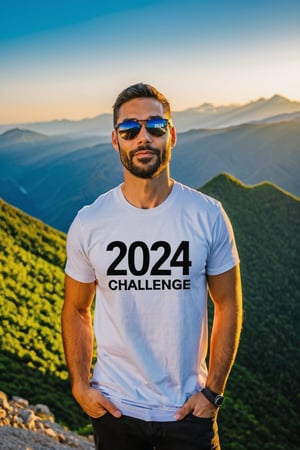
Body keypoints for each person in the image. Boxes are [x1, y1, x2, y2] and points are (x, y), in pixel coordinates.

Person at [61, 82, 243, 450]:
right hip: (115, 412)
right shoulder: (89, 222)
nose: (142, 137)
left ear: (171, 135)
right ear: (116, 140)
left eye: (155, 127)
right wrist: (79, 384)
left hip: (188, 413)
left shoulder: (207, 215)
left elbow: (229, 305)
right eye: (130, 129)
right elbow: (77, 309)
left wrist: (213, 394)